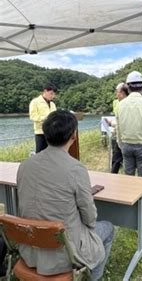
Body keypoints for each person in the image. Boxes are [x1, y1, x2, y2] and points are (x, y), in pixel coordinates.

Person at [17, 110, 114, 280]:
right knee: (108, 228)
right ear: (74, 135)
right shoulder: (75, 168)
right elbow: (90, 217)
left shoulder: (25, 165)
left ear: (45, 134)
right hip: (65, 254)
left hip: (30, 249)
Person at [29, 83, 57, 153]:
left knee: (52, 153)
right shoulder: (35, 102)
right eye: (51, 93)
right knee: (40, 153)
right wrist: (45, 118)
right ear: (45, 91)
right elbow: (33, 116)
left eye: (54, 94)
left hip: (52, 133)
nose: (53, 96)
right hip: (40, 132)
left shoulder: (52, 104)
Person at [109, 83, 129, 174]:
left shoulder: (128, 104)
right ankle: (113, 176)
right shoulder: (117, 103)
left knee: (127, 162)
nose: (116, 94)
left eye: (117, 92)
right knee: (116, 159)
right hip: (119, 137)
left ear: (121, 92)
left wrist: (113, 124)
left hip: (126, 137)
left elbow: (124, 122)